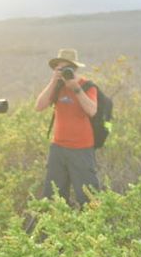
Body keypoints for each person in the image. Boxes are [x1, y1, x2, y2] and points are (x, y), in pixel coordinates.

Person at [34, 48, 101, 207]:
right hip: (58, 149)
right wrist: (53, 81)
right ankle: (57, 229)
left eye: (67, 68)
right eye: (60, 68)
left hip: (81, 150)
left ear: (75, 68)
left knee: (88, 198)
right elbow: (39, 106)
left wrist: (75, 88)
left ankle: (92, 229)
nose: (64, 71)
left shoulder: (87, 86)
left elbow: (92, 110)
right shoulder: (57, 87)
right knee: (53, 197)